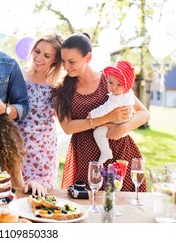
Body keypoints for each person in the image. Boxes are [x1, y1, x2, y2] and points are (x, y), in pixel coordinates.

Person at [53, 33, 149, 192]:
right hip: (85, 156)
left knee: (122, 208)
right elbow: (68, 127)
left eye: (71, 61)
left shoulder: (110, 80)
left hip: (119, 151)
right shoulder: (61, 90)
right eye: (63, 61)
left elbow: (143, 112)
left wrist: (122, 128)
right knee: (88, 206)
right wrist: (107, 118)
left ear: (88, 57)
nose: (66, 66)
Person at [17, 32, 64, 189]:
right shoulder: (18, 74)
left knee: (40, 200)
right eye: (37, 51)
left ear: (55, 60)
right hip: (17, 147)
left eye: (46, 55)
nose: (39, 58)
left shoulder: (56, 84)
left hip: (43, 152)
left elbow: (61, 118)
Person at [89, 60, 136, 164]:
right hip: (122, 122)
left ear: (126, 86)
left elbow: (105, 108)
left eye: (119, 85)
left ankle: (106, 152)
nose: (114, 87)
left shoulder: (118, 98)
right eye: (110, 82)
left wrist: (92, 114)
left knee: (98, 133)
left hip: (121, 123)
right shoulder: (126, 93)